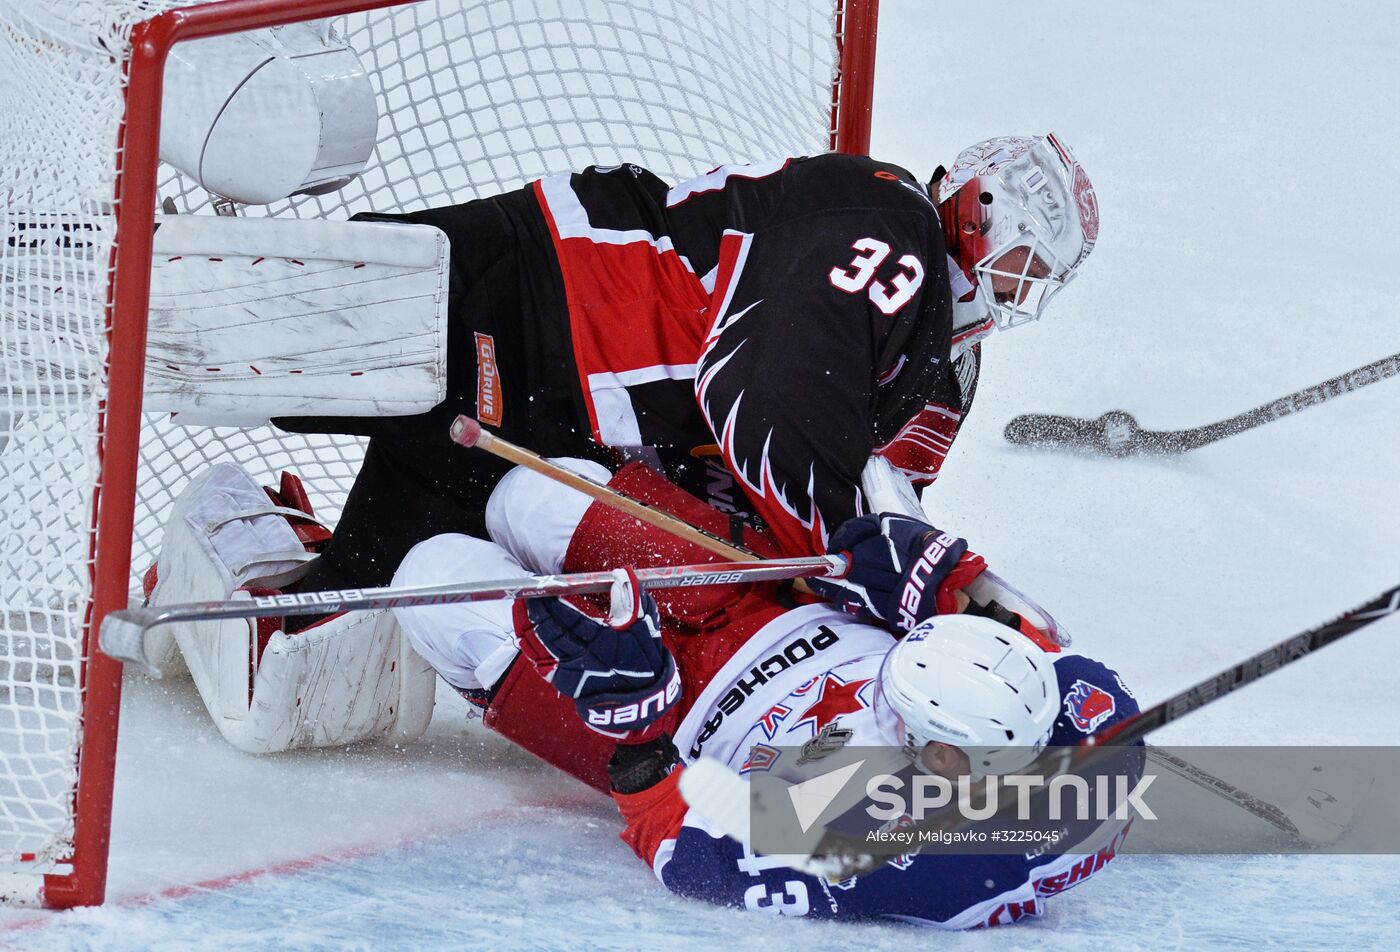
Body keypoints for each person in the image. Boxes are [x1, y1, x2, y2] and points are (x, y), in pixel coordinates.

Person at [272, 134, 1100, 602]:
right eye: (1021, 256)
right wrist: (857, 568)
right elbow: (769, 394)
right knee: (267, 330)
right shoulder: (893, 228)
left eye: (1037, 274)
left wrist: (909, 581)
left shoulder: (939, 359)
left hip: (560, 421)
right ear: (977, 209)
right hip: (544, 300)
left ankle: (261, 563)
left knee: (345, 607)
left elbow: (890, 504)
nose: (1017, 284)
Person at [384, 457, 1138, 929]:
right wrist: (931, 582)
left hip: (676, 711)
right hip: (759, 603)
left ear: (940, 753)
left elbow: (690, 858)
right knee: (531, 491)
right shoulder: (1073, 712)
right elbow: (1024, 631)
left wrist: (636, 734)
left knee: (431, 577)